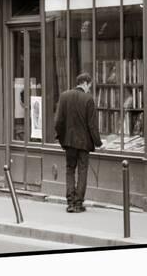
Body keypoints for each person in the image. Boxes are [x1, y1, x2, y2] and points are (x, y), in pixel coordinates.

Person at [55, 73, 102, 213]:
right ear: (86, 83)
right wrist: (98, 143)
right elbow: (92, 126)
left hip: (68, 142)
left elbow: (58, 122)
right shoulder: (89, 99)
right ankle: (78, 203)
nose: (89, 89)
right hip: (84, 144)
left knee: (70, 170)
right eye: (90, 86)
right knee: (82, 171)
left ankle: (70, 202)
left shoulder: (64, 96)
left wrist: (61, 138)